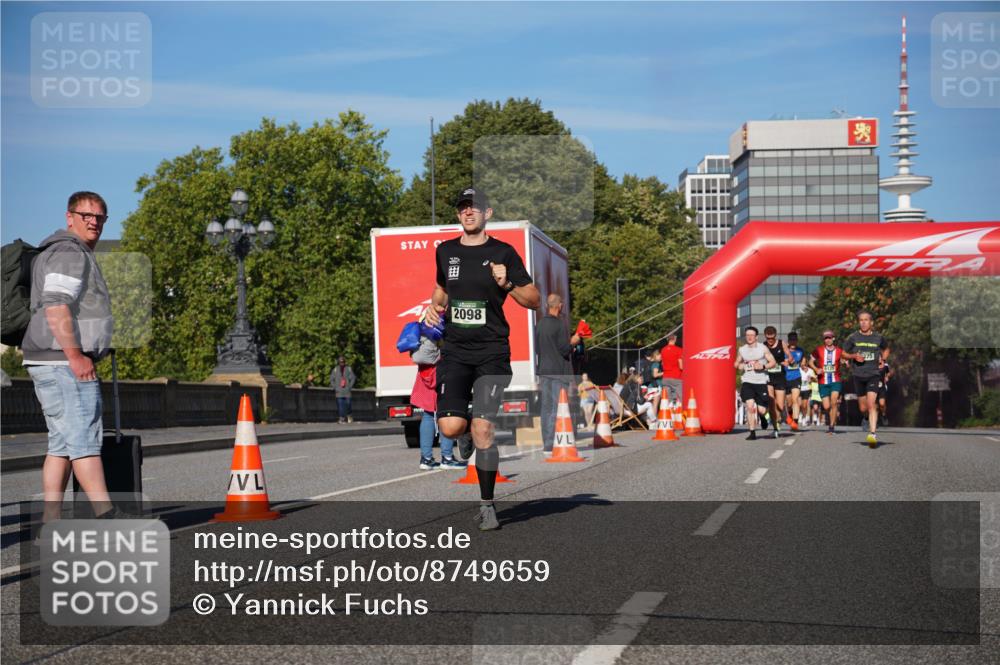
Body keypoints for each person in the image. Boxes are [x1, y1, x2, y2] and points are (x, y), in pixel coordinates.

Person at [423, 187, 540, 532]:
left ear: (487, 213)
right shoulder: (445, 252)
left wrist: (507, 284)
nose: (467, 213)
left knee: (484, 428)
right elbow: (442, 288)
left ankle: (487, 505)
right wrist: (434, 306)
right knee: (451, 427)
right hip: (456, 351)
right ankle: (465, 432)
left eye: (473, 208)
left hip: (492, 351)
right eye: (462, 208)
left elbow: (533, 299)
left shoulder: (503, 252)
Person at [21, 191, 117, 521]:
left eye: (100, 217)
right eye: (86, 215)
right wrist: (76, 355)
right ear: (69, 216)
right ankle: (107, 517)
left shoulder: (57, 249)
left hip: (45, 357)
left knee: (60, 445)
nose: (94, 222)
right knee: (84, 440)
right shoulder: (68, 252)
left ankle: (51, 522)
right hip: (63, 362)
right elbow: (56, 304)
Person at [536, 293, 580, 455]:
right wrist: (573, 342)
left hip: (544, 371)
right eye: (562, 304)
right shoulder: (560, 325)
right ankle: (554, 442)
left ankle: (546, 443)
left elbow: (537, 348)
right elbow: (564, 349)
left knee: (546, 408)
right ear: (559, 306)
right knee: (557, 407)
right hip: (558, 371)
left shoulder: (539, 324)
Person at [409, 337, 463, 470]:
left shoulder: (424, 325)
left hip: (425, 372)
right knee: (447, 414)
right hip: (442, 371)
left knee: (428, 415)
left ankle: (426, 459)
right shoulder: (443, 321)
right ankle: (447, 458)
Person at [843, 311, 890, 447]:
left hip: (873, 374)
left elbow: (886, 349)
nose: (863, 322)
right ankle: (865, 417)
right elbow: (844, 353)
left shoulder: (878, 337)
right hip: (858, 375)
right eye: (861, 320)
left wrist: (883, 359)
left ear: (871, 323)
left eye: (866, 320)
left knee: (871, 405)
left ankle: (872, 433)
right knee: (863, 407)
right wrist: (853, 357)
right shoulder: (853, 337)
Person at [734, 326, 777, 440]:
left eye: (752, 335)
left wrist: (763, 366)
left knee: (762, 410)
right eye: (747, 335)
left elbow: (773, 362)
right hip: (747, 381)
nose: (749, 337)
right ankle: (752, 432)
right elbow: (736, 364)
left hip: (761, 381)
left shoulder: (763, 348)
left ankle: (763, 417)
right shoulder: (742, 349)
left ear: (756, 337)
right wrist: (741, 366)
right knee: (750, 406)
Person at [809, 330, 846, 435]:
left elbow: (844, 360)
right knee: (826, 406)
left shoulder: (839, 351)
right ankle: (831, 420)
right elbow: (810, 362)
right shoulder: (818, 350)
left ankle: (832, 426)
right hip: (823, 381)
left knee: (834, 402)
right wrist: (816, 369)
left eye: (829, 338)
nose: (828, 340)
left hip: (836, 380)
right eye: (826, 338)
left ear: (833, 338)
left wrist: (846, 362)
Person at [762, 326, 790, 437]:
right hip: (768, 377)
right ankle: (775, 428)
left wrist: (787, 361)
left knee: (780, 405)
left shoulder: (781, 343)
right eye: (768, 338)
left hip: (780, 377)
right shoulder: (763, 346)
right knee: (771, 403)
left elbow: (790, 357)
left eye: (772, 338)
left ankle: (780, 417)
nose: (770, 340)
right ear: (765, 336)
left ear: (775, 336)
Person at [784, 332, 805, 431]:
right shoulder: (784, 350)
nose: (793, 342)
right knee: (789, 403)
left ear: (797, 341)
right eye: (791, 340)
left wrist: (803, 365)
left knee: (795, 400)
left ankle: (796, 422)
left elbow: (803, 360)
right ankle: (790, 416)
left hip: (796, 377)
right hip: (785, 378)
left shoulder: (800, 350)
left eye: (795, 340)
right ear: (788, 341)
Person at [330, 356, 356, 423]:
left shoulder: (348, 369)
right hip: (339, 391)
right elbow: (331, 379)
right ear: (338, 362)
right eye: (341, 362)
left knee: (348, 404)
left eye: (343, 362)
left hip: (347, 391)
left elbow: (353, 378)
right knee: (340, 405)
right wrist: (335, 387)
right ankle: (341, 418)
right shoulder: (335, 369)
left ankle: (349, 415)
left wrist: (350, 386)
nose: (342, 363)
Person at [659, 334, 683, 401]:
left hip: (665, 377)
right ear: (674, 339)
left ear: (668, 340)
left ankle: (668, 411)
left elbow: (662, 363)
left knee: (667, 399)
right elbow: (681, 366)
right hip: (676, 377)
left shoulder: (663, 350)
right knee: (680, 398)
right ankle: (680, 411)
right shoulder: (679, 350)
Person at [798, 361, 816, 429]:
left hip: (807, 389)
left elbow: (815, 379)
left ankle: (804, 418)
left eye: (805, 364)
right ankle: (799, 414)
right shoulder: (798, 370)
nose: (804, 366)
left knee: (804, 405)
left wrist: (811, 378)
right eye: (802, 364)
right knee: (799, 404)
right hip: (799, 389)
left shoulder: (811, 371)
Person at [878, 360, 893, 427]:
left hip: (882, 386)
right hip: (872, 386)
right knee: (873, 405)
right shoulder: (871, 364)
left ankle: (883, 415)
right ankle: (874, 420)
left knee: (882, 404)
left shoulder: (885, 365)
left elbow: (889, 373)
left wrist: (887, 376)